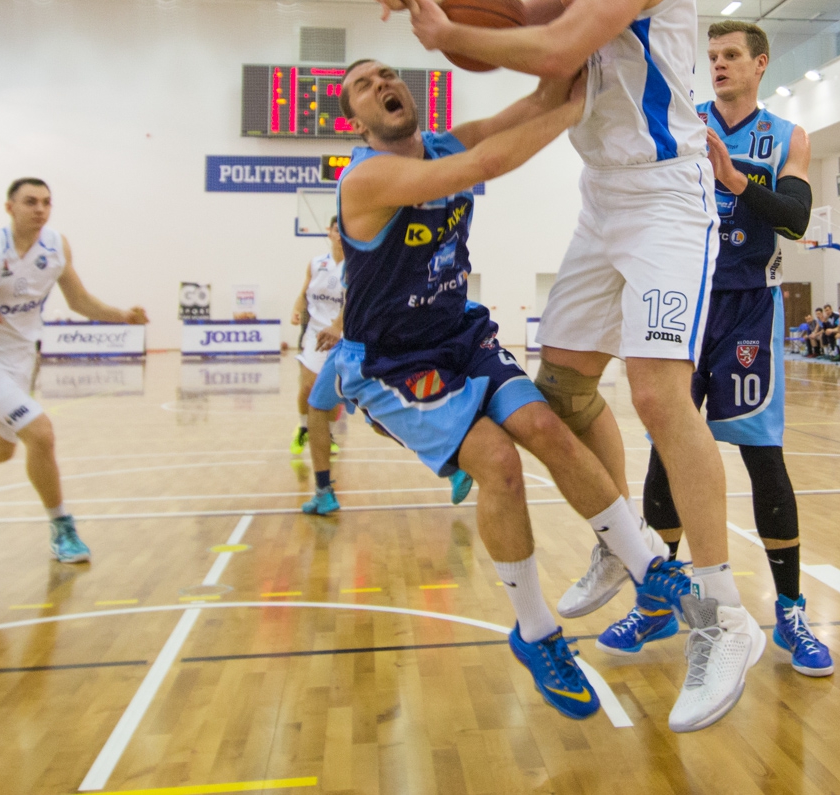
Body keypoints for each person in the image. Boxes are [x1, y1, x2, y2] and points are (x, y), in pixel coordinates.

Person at [376, 0, 761, 732]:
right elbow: (517, 18)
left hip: (667, 199)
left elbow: (554, 53)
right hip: (604, 199)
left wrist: (444, 32)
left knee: (661, 394)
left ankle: (724, 613)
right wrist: (435, 9)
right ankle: (622, 548)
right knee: (563, 382)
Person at [319, 57, 691, 722]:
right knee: (500, 464)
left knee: (546, 425)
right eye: (362, 86)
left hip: (459, 333)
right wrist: (573, 112)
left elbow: (533, 100)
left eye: (385, 74)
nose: (380, 84)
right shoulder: (367, 176)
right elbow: (479, 167)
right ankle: (536, 631)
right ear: (356, 119)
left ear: (409, 91)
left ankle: (647, 565)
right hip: (395, 363)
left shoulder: (446, 140)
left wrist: (579, 55)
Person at [601, 19, 829, 675]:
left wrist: (733, 180)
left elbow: (795, 215)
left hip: (750, 307)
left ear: (761, 64)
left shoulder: (788, 136)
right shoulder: (683, 120)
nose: (720, 64)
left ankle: (789, 609)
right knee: (668, 448)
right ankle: (653, 603)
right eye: (714, 55)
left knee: (763, 456)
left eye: (732, 55)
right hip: (683, 297)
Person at [0, 178, 150, 562]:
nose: (40, 209)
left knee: (1, 450)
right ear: (9, 207)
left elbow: (79, 301)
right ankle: (62, 528)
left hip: (21, 356)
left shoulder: (57, 246)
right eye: (30, 202)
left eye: (47, 202)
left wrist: (122, 316)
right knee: (41, 434)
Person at [288, 218, 346, 456]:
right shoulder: (315, 264)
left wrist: (337, 327)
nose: (341, 235)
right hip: (315, 333)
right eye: (336, 230)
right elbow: (303, 293)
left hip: (343, 336)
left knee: (332, 390)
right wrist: (296, 308)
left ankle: (328, 432)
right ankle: (303, 428)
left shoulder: (358, 266)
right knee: (308, 387)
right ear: (330, 233)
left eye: (345, 230)